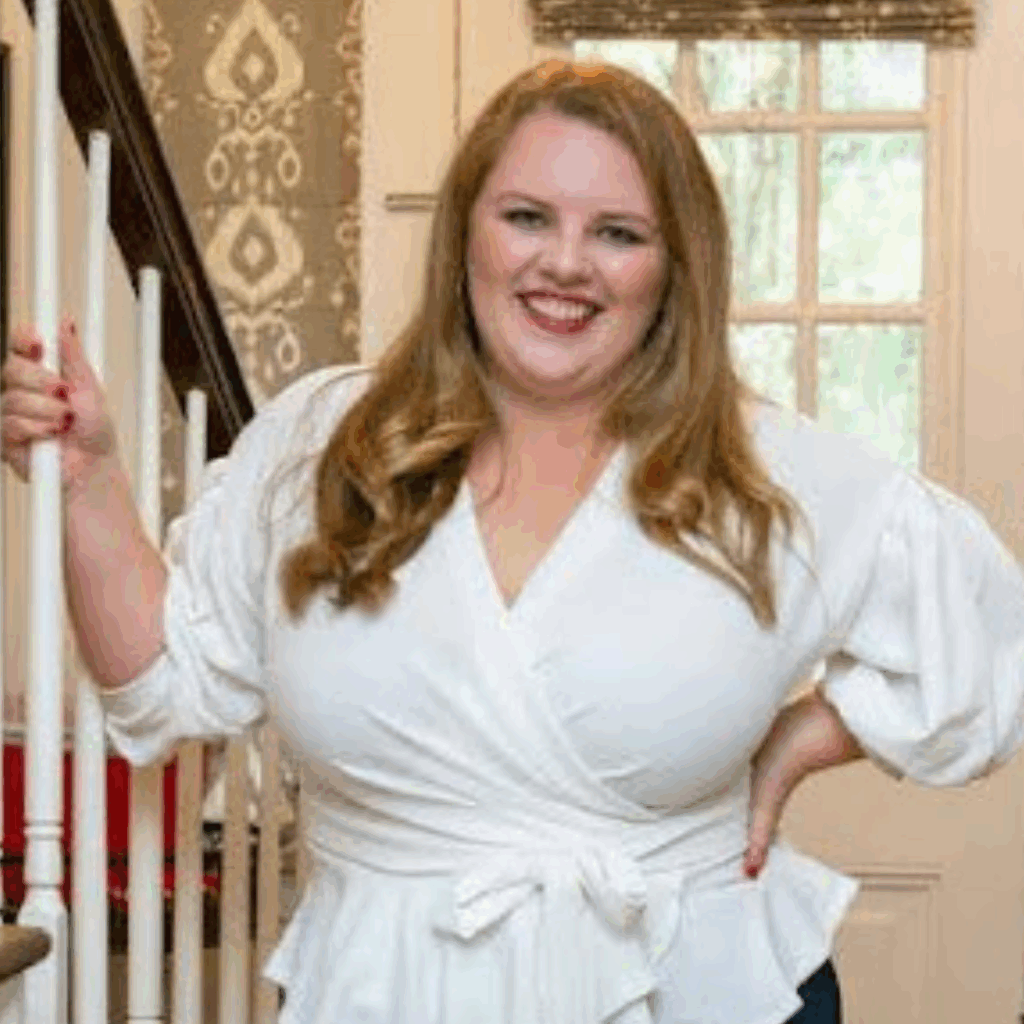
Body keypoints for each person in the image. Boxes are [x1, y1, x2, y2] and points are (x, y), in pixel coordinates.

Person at [2, 58, 1023, 1024]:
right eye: (527, 216)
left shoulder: (775, 476)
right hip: (382, 986)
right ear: (468, 235)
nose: (565, 263)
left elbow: (986, 649)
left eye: (619, 232)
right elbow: (162, 687)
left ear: (675, 267)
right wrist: (89, 483)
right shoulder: (322, 443)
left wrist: (797, 742)